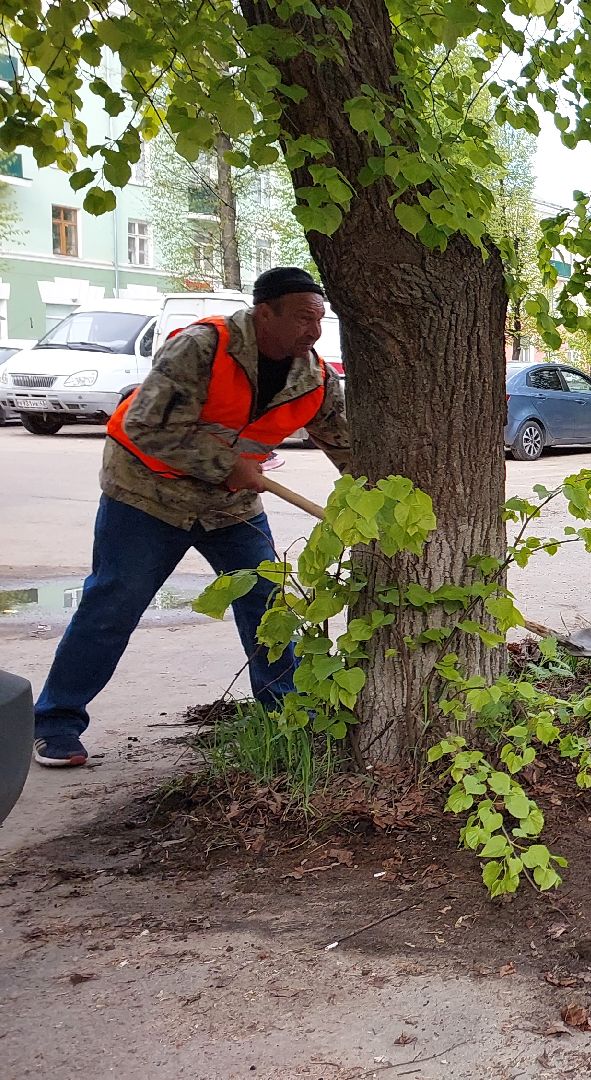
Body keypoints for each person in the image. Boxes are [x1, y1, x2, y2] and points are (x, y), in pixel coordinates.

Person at [31, 267, 352, 767]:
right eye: (302, 318)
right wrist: (227, 464)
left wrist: (374, 498)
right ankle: (55, 723)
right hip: (147, 496)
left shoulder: (314, 378)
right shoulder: (202, 348)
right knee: (113, 603)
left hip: (229, 507)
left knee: (267, 604)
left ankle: (287, 716)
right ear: (264, 313)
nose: (313, 331)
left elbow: (344, 444)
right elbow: (146, 426)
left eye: (319, 319)